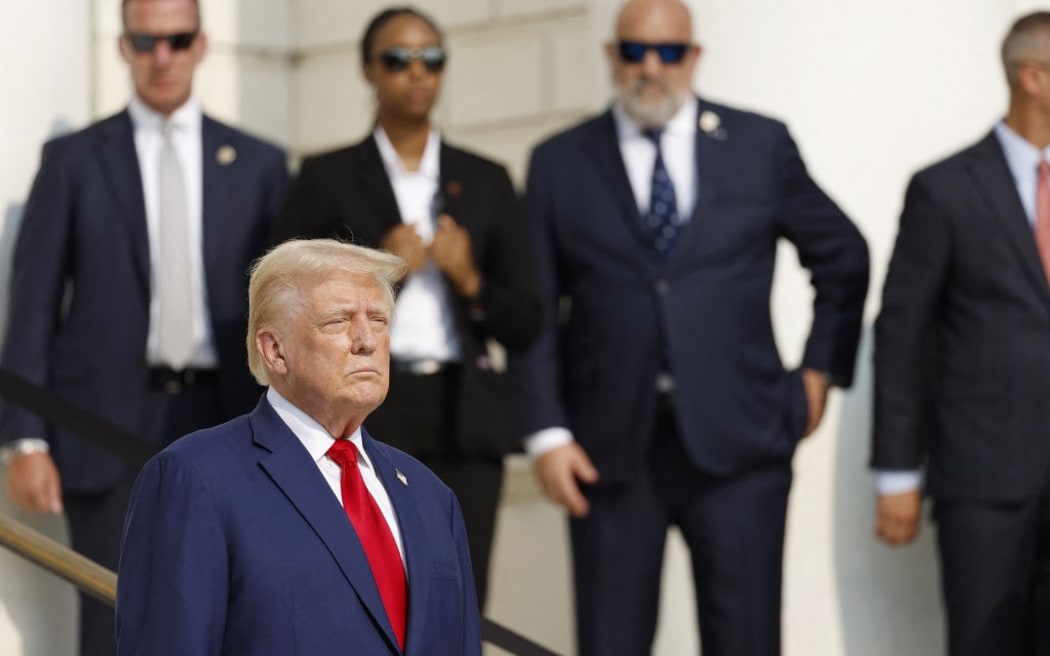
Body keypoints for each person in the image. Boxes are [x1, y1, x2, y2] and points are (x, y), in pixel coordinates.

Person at [513, 0, 869, 653]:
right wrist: (546, 432)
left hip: (743, 445)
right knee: (610, 640)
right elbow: (533, 305)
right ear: (611, 55)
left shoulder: (760, 145)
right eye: (635, 50)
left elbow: (844, 256)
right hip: (608, 452)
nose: (652, 67)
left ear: (694, 56)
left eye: (669, 51)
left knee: (746, 640)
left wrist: (819, 371)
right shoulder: (559, 162)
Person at [0, 1, 287, 654]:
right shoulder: (72, 160)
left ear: (202, 45)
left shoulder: (259, 164)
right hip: (101, 426)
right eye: (147, 41)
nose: (163, 57)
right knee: (114, 617)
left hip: (231, 419)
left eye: (177, 40)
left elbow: (283, 307)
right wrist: (24, 439)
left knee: (235, 614)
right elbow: (35, 302)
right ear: (124, 46)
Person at [273, 6, 539, 607]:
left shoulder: (487, 178)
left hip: (464, 414)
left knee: (459, 597)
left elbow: (526, 320)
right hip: (361, 409)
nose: (416, 73)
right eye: (398, 59)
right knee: (359, 591)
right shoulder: (325, 177)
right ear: (369, 70)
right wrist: (377, 266)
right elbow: (283, 298)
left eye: (431, 59)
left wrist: (470, 278)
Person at [115, 238, 481, 656]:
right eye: (338, 321)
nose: (366, 340)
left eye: (378, 319)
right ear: (274, 350)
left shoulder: (431, 495)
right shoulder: (195, 478)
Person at [872, 11, 1050, 655]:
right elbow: (902, 334)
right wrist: (896, 471)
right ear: (1032, 77)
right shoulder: (945, 189)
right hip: (984, 479)